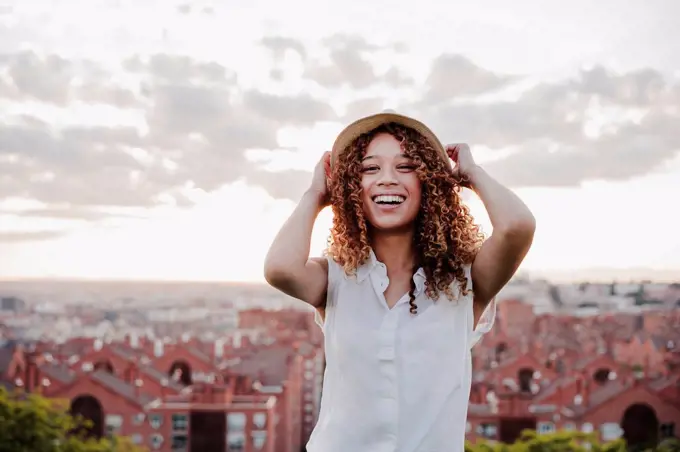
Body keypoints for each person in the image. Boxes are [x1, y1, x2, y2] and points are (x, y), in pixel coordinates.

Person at [264, 112, 536, 452]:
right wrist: (315, 196)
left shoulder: (466, 280)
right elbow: (280, 269)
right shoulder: (336, 277)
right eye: (369, 169)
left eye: (406, 167)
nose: (387, 179)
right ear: (350, 187)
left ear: (429, 181)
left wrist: (471, 175)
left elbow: (517, 227)